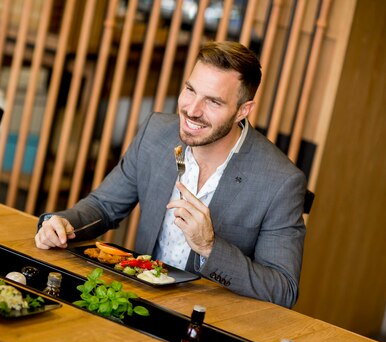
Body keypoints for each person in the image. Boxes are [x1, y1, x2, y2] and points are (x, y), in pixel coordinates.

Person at [35, 41, 307, 308]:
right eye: (190, 90)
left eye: (213, 102)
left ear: (242, 111)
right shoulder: (156, 133)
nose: (192, 109)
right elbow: (104, 206)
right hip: (135, 300)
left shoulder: (280, 181)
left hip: (208, 322)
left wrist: (210, 247)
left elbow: (283, 289)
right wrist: (61, 223)